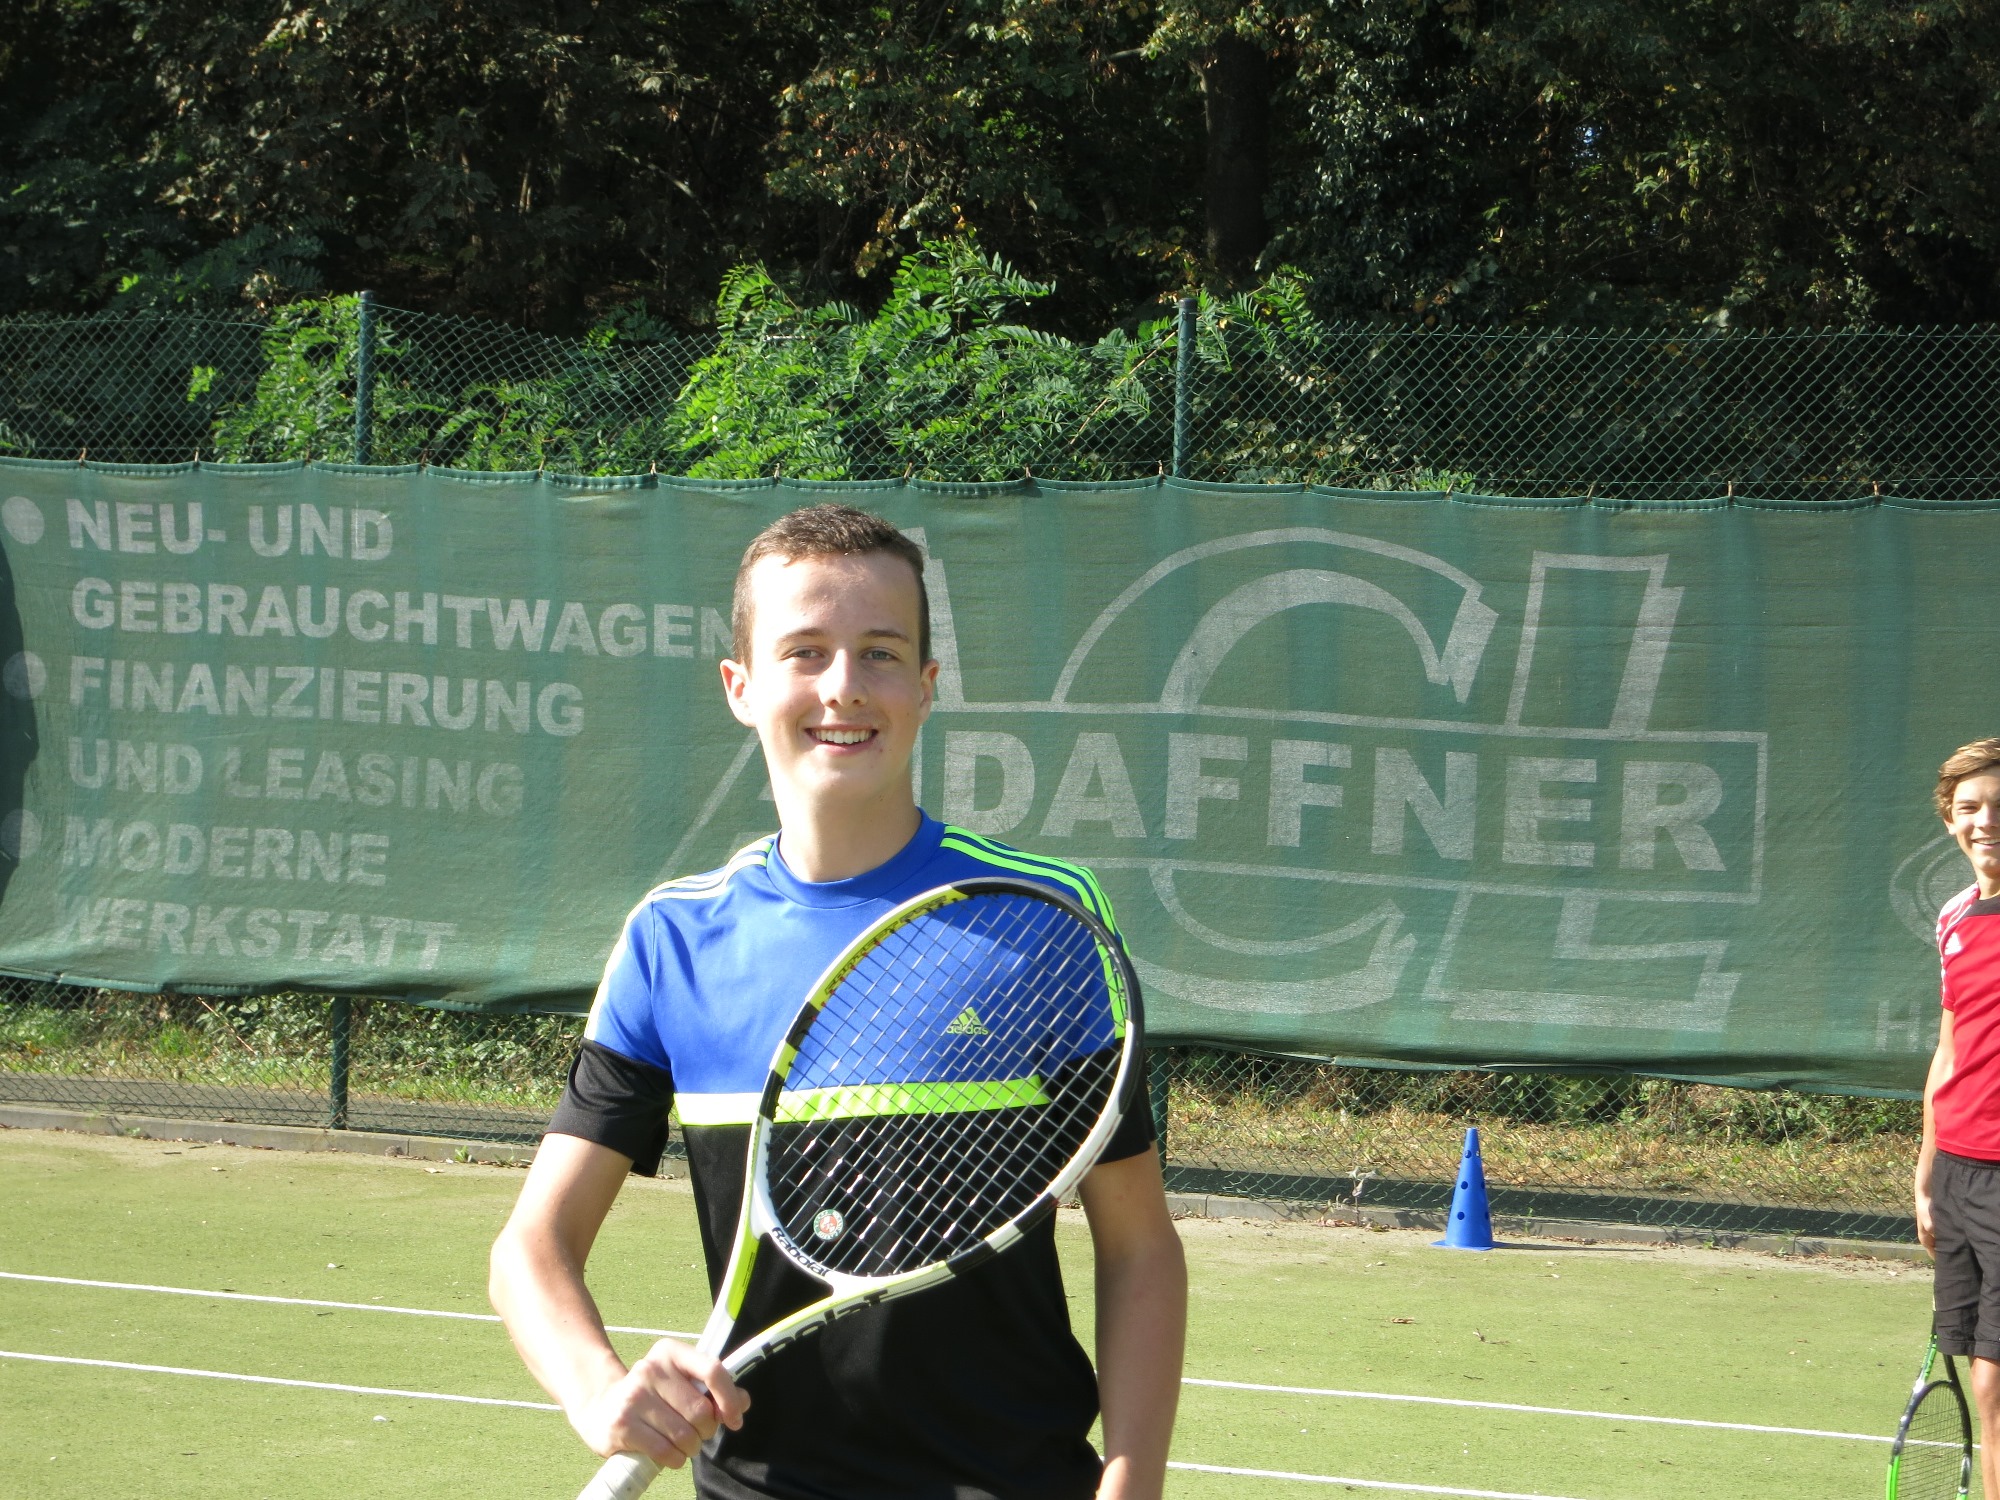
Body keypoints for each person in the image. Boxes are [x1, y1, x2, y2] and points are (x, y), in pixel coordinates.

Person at [490, 503, 1187, 1500]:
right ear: (740, 686)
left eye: (880, 653)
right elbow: (532, 1248)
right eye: (804, 651)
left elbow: (1139, 1246)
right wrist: (598, 1390)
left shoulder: (1045, 919)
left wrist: (1131, 1487)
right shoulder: (670, 941)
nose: (843, 686)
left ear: (926, 687)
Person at [1918, 736, 2000, 1496]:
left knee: (1997, 1383)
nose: (1986, 821)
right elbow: (1950, 1049)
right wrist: (1926, 1177)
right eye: (1970, 807)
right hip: (1956, 1175)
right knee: (1981, 1376)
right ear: (1949, 820)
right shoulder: (1955, 915)